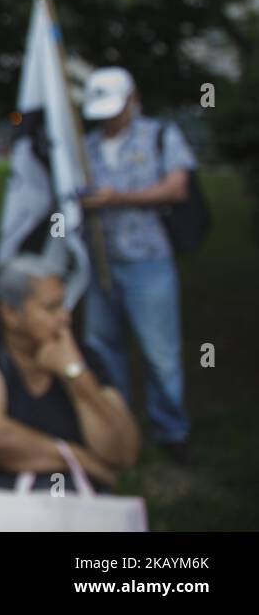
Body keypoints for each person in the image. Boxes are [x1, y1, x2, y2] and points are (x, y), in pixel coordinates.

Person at [78, 66, 196, 465]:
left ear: (133, 99)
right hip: (101, 265)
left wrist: (118, 199)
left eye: (115, 108)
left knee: (160, 353)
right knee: (104, 349)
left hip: (148, 261)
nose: (108, 118)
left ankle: (171, 431)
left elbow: (177, 187)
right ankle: (117, 425)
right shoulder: (87, 146)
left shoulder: (161, 135)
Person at [0, 255, 140, 494]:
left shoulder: (81, 356)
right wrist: (77, 459)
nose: (65, 317)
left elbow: (123, 452)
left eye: (64, 305)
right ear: (10, 313)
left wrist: (76, 375)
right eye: (51, 307)